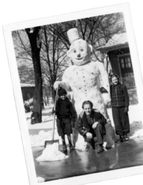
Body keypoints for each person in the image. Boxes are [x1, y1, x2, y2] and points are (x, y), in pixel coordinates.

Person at [54, 87, 77, 152]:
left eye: (64, 95)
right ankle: (64, 143)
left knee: (68, 131)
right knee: (61, 132)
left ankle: (70, 144)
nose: (63, 96)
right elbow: (56, 110)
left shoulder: (68, 102)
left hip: (67, 118)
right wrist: (54, 111)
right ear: (59, 96)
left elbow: (72, 111)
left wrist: (73, 118)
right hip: (59, 119)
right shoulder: (57, 102)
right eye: (61, 95)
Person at [110, 74, 130, 142]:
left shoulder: (122, 87)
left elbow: (126, 97)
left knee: (124, 121)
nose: (115, 81)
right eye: (113, 80)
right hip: (115, 107)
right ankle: (120, 135)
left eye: (115, 79)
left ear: (118, 79)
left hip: (122, 106)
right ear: (111, 81)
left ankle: (125, 134)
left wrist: (126, 106)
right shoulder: (110, 88)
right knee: (117, 121)